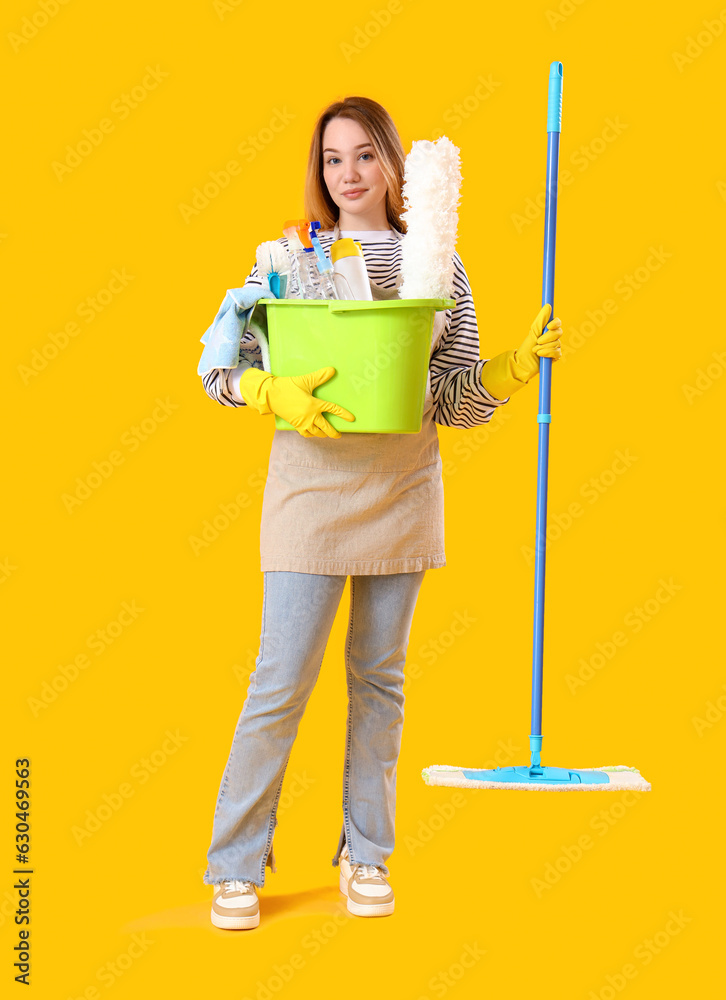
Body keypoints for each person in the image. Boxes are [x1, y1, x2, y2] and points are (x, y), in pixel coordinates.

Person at [199, 96, 563, 929]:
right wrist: (263, 386)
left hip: (401, 495)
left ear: (397, 166)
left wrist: (511, 367)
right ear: (319, 171)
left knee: (380, 685)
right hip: (308, 495)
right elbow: (219, 362)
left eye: (366, 156)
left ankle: (368, 854)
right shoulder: (290, 256)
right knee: (279, 682)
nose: (349, 175)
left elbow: (452, 400)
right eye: (334, 159)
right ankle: (234, 866)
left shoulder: (437, 264)